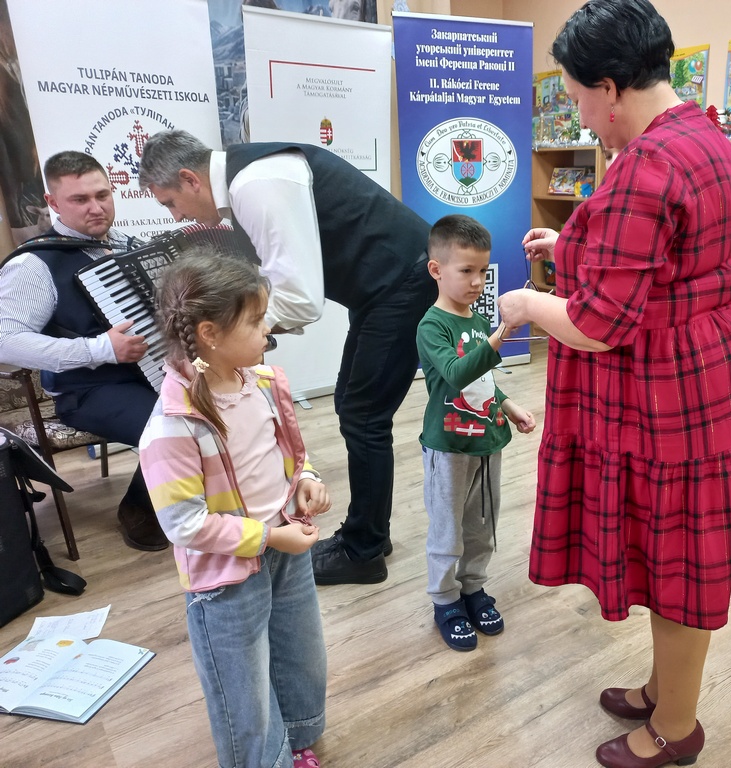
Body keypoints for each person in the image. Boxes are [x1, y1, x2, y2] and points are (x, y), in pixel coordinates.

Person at [496, 1, 731, 766]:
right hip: (721, 372)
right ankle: (664, 690)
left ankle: (676, 729)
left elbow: (598, 324)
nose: (581, 116)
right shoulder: (703, 137)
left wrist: (526, 304)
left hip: (673, 396)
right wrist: (575, 242)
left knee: (677, 561)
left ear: (611, 87)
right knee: (676, 552)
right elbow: (670, 258)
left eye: (578, 98)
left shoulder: (645, 165)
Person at [138, 130, 436, 585]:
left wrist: (226, 334)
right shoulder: (249, 178)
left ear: (190, 179)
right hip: (381, 288)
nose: (177, 217)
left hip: (402, 283)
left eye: (170, 203)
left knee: (364, 416)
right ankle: (369, 534)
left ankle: (364, 550)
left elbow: (300, 300)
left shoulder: (256, 183)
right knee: (353, 408)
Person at [139, 253, 329, 768]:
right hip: (226, 578)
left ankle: (298, 738)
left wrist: (306, 480)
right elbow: (183, 523)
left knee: (300, 654)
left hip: (286, 550)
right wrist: (267, 537)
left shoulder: (262, 384)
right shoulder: (172, 425)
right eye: (256, 320)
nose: (268, 329)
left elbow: (290, 454)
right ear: (210, 334)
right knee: (243, 688)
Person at [0, 151, 167, 551]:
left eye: (102, 195)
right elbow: (5, 339)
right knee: (172, 425)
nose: (96, 207)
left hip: (154, 371)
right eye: (80, 199)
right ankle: (138, 508)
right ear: (52, 202)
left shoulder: (127, 244)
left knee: (226, 402)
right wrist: (99, 349)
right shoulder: (35, 264)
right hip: (88, 390)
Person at [417, 214, 535, 652]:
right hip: (449, 445)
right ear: (436, 269)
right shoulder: (432, 325)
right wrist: (501, 335)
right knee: (447, 528)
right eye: (466, 270)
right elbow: (455, 374)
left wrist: (509, 405)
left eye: (483, 271)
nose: (477, 281)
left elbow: (482, 381)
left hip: (487, 441)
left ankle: (473, 587)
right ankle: (445, 598)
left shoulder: (477, 321)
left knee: (482, 523)